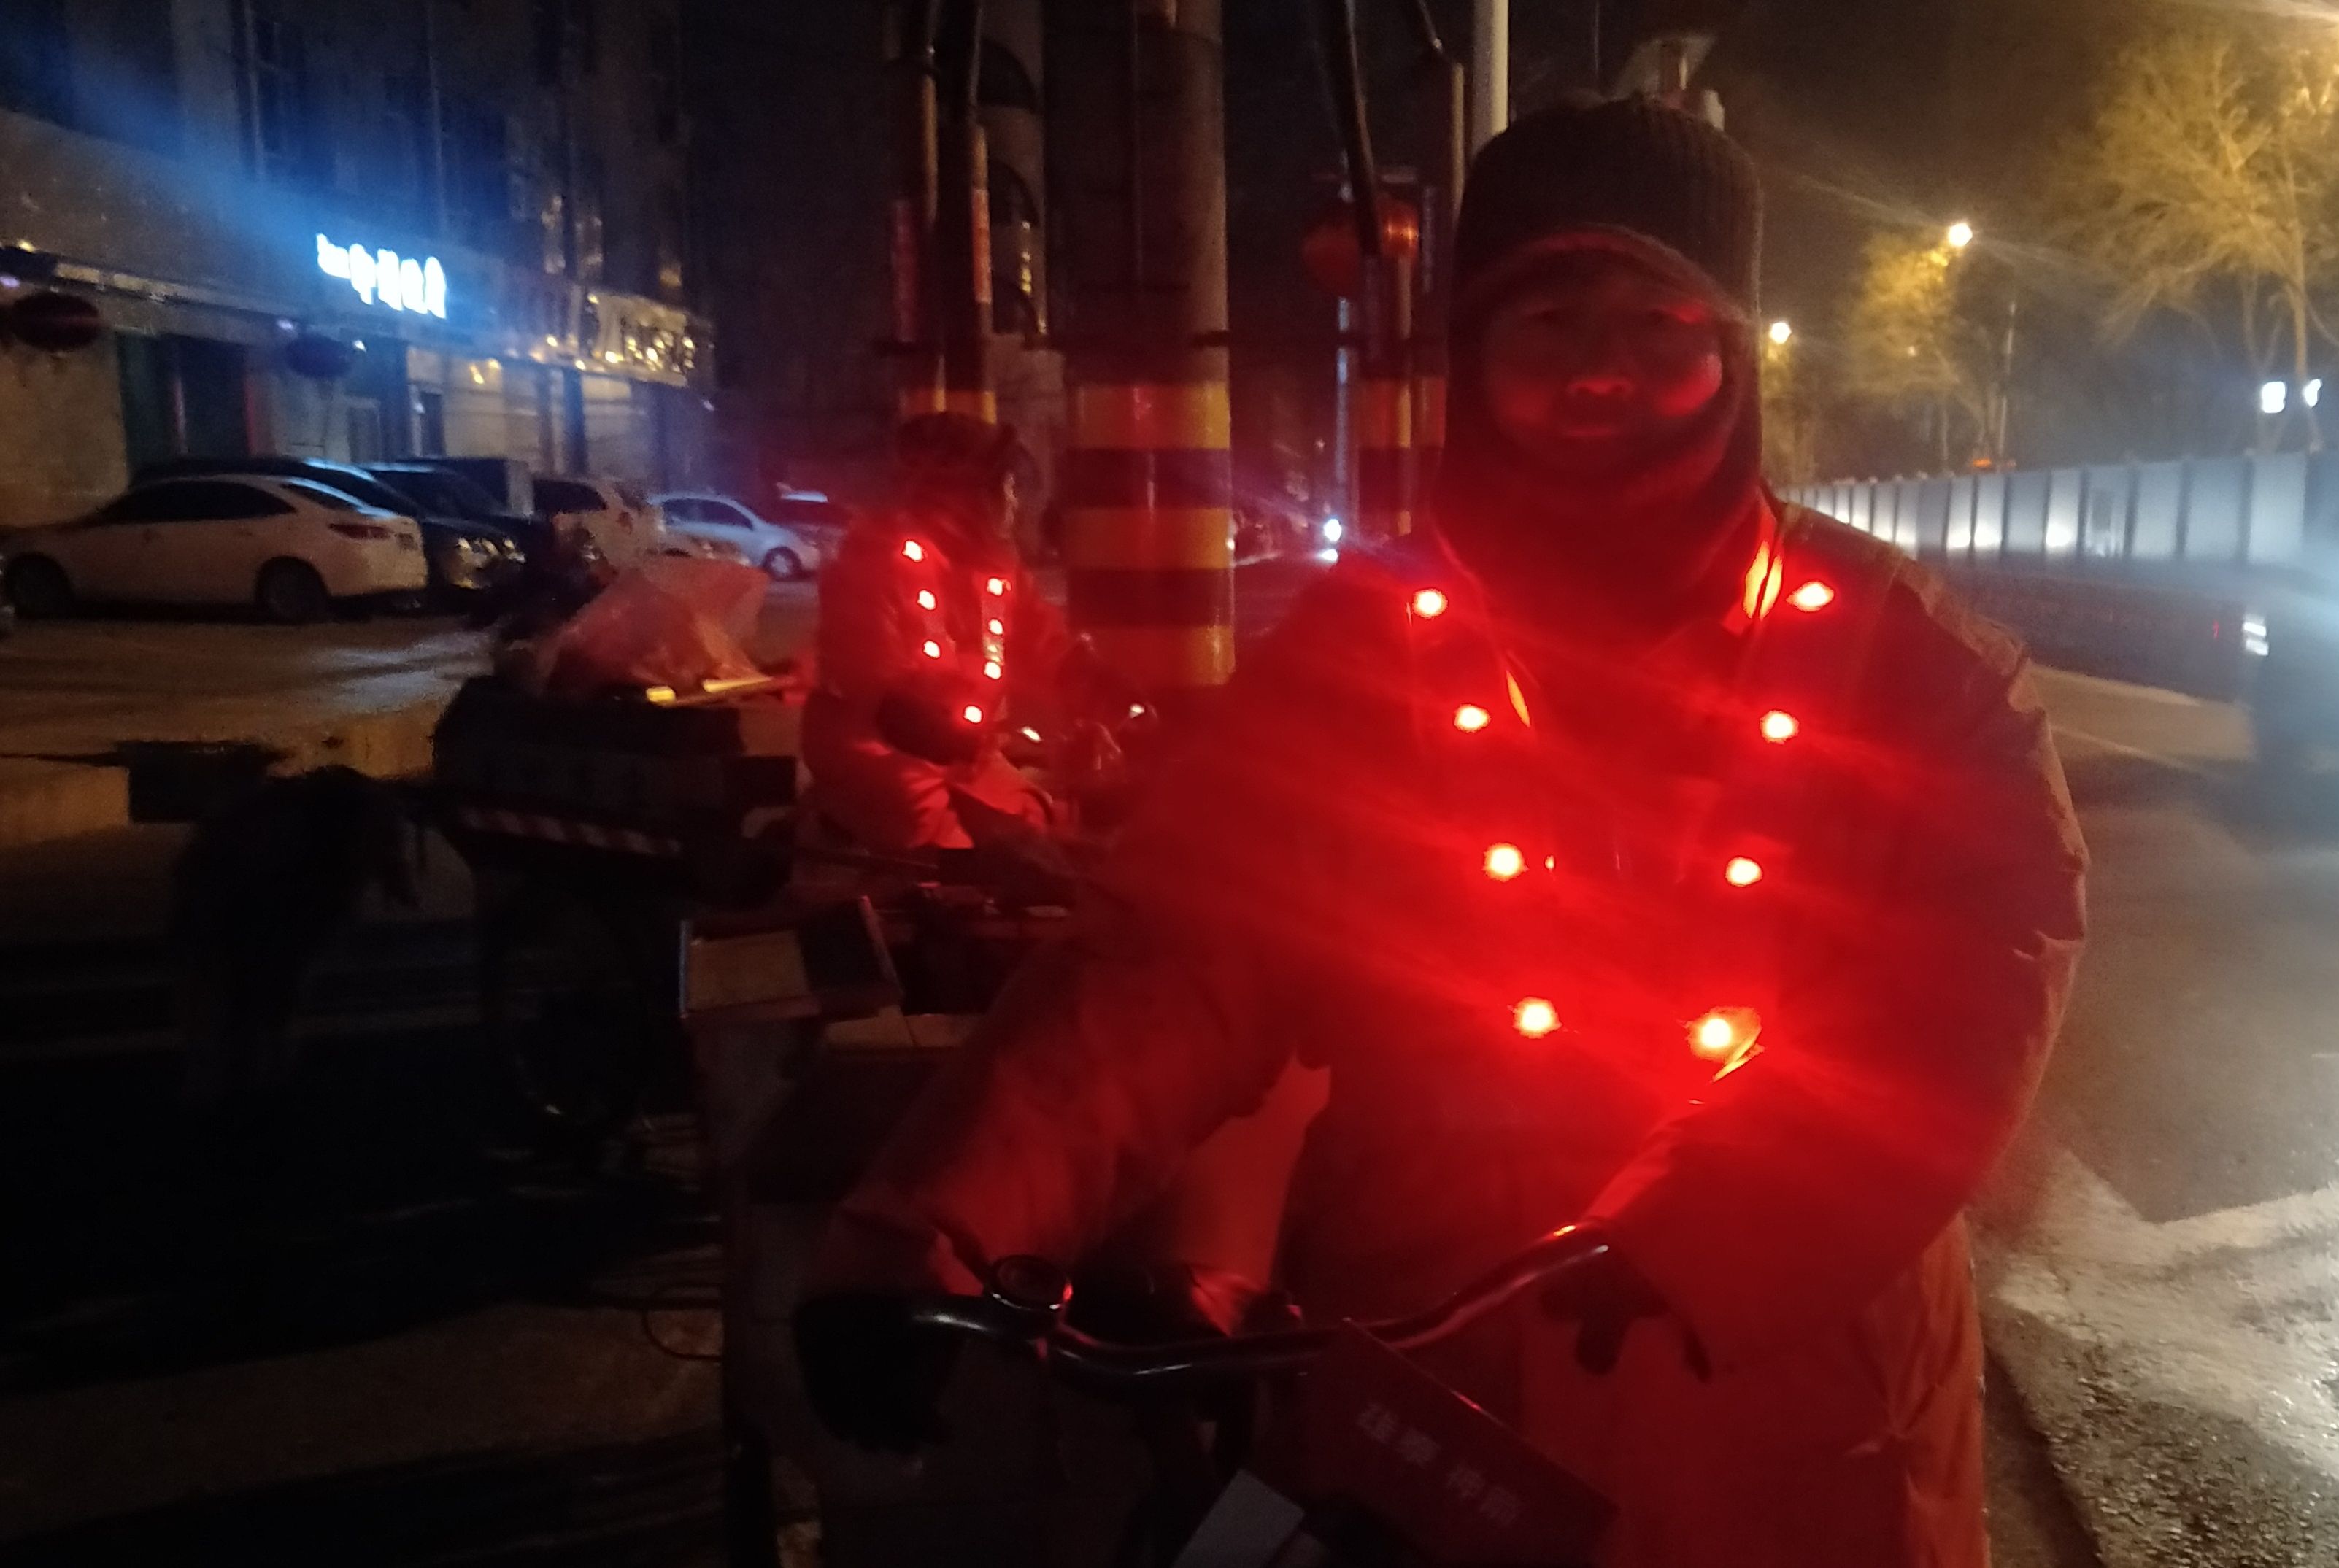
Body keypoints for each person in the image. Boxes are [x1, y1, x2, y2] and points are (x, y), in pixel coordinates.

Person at [796, 99, 2087, 1568]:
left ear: (1731, 354)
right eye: (1548, 322)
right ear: (1473, 354)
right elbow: (1172, 956)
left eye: (1657, 323)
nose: (1599, 368)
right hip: (1438, 1365)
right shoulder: (1360, 650)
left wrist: (1717, 1226)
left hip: (1789, 1397)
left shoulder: (1908, 656)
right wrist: (933, 1226)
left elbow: (1971, 979)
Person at [803, 414, 1090, 852]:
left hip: (968, 757)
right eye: (1006, 487)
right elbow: (868, 674)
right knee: (946, 846)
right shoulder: (874, 558)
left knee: (1037, 824)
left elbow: (1042, 637)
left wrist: (1096, 684)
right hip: (877, 754)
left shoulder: (997, 568)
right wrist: (927, 728)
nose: (1013, 502)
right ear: (968, 494)